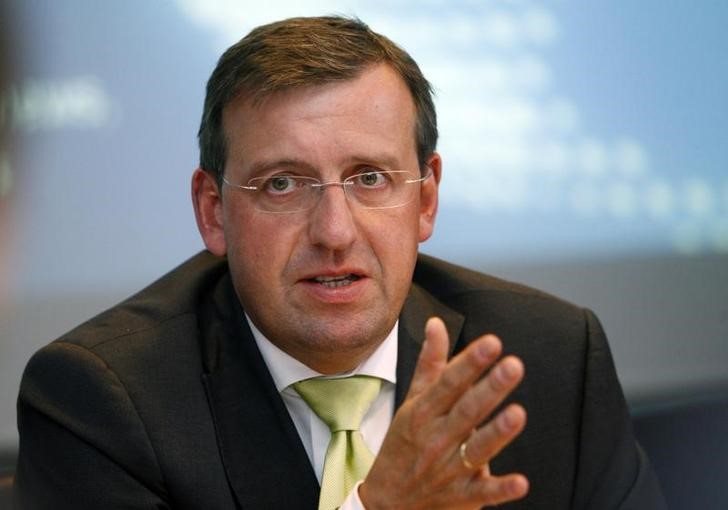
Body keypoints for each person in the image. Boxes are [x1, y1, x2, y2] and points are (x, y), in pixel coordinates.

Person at [14, 16, 665, 509]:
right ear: (213, 210)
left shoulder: (550, 359)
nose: (334, 232)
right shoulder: (102, 402)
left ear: (426, 200)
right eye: (282, 184)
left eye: (370, 178)